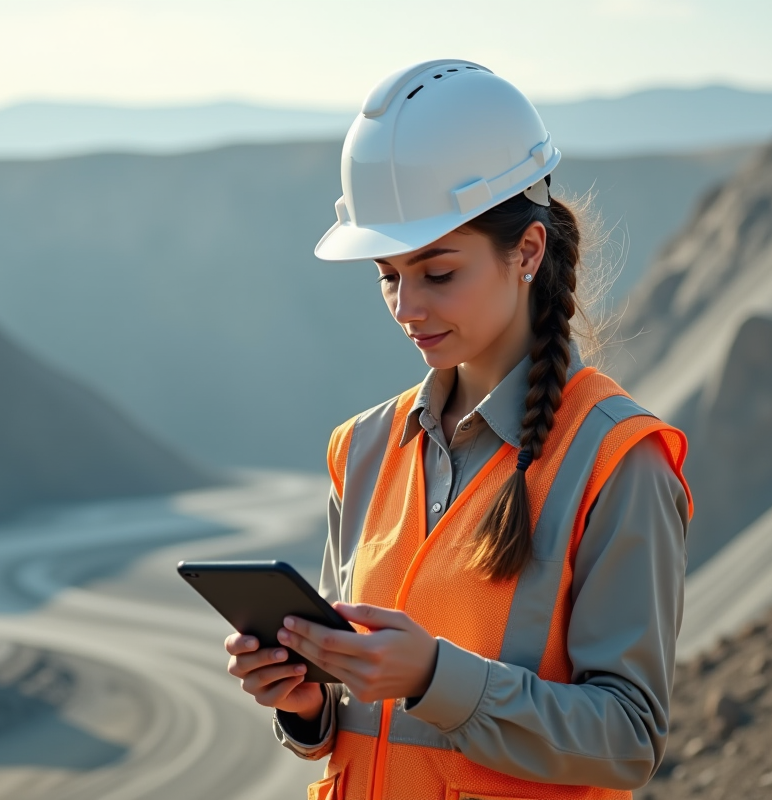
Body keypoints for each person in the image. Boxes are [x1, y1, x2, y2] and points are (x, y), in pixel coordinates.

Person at [223, 59, 692, 800]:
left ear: (528, 252)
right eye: (387, 275)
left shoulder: (617, 460)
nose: (407, 307)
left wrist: (437, 678)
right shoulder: (364, 449)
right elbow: (361, 721)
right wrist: (308, 705)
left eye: (437, 273)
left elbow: (628, 740)